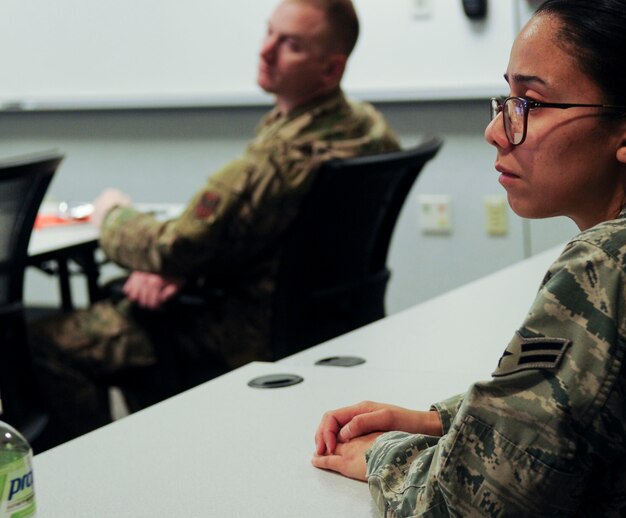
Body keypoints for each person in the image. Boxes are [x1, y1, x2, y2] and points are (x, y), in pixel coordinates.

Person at [311, 0, 626, 515]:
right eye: (506, 98)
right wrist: (449, 419)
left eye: (529, 104)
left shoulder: (610, 265)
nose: (496, 130)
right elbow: (614, 395)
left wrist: (385, 454)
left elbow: (468, 503)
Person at [31, 0, 399, 446]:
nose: (266, 51)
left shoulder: (280, 157)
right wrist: (184, 266)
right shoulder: (368, 127)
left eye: (291, 45)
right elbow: (240, 236)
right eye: (269, 33)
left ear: (330, 69)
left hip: (230, 331)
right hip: (316, 320)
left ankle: (92, 472)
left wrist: (113, 214)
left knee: (47, 344)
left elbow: (175, 245)